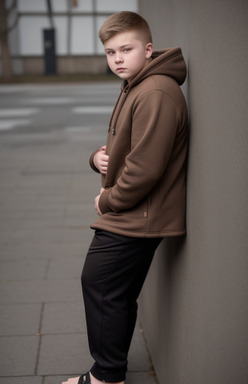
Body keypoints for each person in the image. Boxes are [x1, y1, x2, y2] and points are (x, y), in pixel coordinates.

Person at [62, 10, 188, 384]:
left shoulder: (155, 91)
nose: (117, 59)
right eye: (110, 52)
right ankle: (110, 371)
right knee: (113, 292)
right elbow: (131, 147)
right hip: (137, 212)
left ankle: (106, 376)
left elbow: (146, 169)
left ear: (148, 50)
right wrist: (97, 158)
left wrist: (107, 201)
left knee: (100, 286)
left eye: (126, 49)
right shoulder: (139, 84)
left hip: (138, 214)